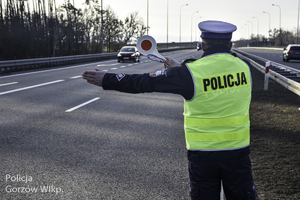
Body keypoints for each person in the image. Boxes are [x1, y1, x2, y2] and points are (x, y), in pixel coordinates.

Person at [82, 20, 257, 200]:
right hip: (238, 154)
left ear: (202, 45)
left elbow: (145, 82)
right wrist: (180, 69)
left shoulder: (189, 73)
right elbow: (218, 78)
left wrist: (106, 79)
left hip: (203, 157)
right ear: (230, 44)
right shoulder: (246, 68)